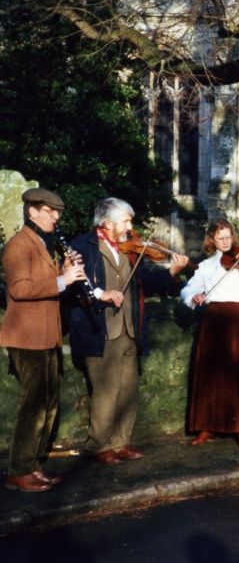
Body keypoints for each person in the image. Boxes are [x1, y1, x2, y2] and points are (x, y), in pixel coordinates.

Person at [68, 198, 189, 465]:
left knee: (128, 390)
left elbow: (147, 280)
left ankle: (121, 442)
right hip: (100, 329)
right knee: (105, 390)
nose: (130, 226)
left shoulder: (129, 249)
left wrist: (172, 272)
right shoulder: (82, 246)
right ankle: (99, 446)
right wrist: (101, 294)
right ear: (108, 223)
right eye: (126, 221)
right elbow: (77, 286)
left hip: (129, 328)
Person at [2, 188, 86, 492]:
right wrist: (62, 280)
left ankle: (33, 465)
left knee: (48, 403)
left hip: (46, 335)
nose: (56, 217)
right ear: (32, 212)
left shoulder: (41, 243)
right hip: (26, 337)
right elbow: (20, 289)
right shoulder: (18, 245)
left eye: (57, 212)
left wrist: (65, 272)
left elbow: (46, 286)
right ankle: (19, 471)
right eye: (50, 211)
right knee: (33, 405)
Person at [181, 219, 239, 447]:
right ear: (212, 240)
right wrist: (194, 297)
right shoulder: (206, 266)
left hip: (237, 320)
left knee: (238, 373)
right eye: (219, 238)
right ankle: (206, 427)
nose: (224, 241)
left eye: (228, 237)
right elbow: (189, 289)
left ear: (233, 237)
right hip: (213, 321)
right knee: (210, 375)